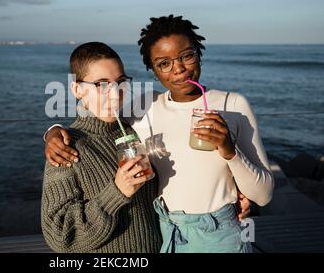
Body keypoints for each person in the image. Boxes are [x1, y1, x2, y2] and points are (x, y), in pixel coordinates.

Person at [44, 15, 274, 253]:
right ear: (153, 70)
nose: (179, 69)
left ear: (198, 54)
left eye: (187, 55)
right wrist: (53, 132)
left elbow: (263, 196)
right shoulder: (145, 107)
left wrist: (229, 152)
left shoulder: (233, 105)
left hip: (217, 235)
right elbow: (99, 116)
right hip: (166, 236)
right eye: (164, 63)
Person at [41, 42, 162, 253]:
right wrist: (117, 192)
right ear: (77, 89)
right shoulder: (67, 148)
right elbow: (60, 237)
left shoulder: (135, 130)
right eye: (102, 85)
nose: (115, 94)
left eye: (121, 82)